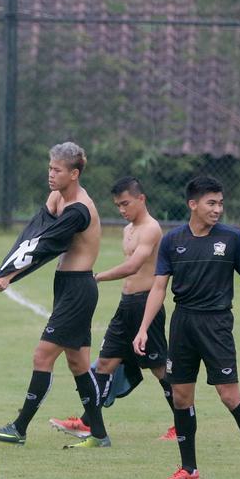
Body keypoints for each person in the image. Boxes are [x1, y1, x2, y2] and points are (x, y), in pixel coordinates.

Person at [133, 176, 240, 479]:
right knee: (181, 397)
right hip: (182, 324)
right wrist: (143, 328)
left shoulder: (233, 239)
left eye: (221, 203)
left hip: (216, 325)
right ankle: (189, 470)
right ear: (193, 205)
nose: (218, 209)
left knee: (229, 396)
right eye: (211, 203)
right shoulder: (172, 241)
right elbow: (159, 287)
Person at [0, 142, 103, 447]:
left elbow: (48, 242)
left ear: (74, 173)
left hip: (78, 288)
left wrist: (9, 275)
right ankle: (99, 434)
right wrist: (7, 267)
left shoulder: (79, 209)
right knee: (78, 364)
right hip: (67, 286)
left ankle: (20, 427)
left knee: (42, 355)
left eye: (58, 170)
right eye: (50, 168)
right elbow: (38, 225)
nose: (50, 175)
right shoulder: (61, 197)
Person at [51, 177, 177, 445]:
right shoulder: (127, 229)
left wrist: (96, 277)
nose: (122, 209)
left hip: (146, 306)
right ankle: (88, 422)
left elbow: (133, 266)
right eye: (118, 205)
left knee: (158, 368)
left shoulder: (151, 229)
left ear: (141, 199)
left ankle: (182, 420)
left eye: (126, 203)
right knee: (106, 363)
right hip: (126, 305)